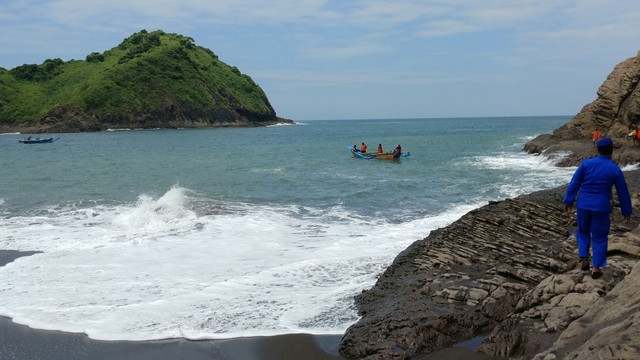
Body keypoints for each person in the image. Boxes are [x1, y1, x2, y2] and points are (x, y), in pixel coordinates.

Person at [562, 137, 632, 279]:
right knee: (600, 237)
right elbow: (622, 192)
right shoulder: (615, 169)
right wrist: (627, 211)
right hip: (601, 207)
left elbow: (574, 183)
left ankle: (584, 258)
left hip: (583, 205)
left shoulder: (586, 164)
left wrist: (568, 201)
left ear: (597, 149)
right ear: (611, 150)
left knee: (582, 231)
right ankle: (595, 268)